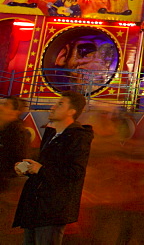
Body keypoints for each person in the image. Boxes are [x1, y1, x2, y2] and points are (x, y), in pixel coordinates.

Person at [13, 91, 94, 245]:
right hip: (36, 207)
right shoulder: (51, 134)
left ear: (72, 111)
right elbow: (46, 167)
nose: (53, 107)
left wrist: (40, 169)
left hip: (52, 210)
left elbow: (75, 173)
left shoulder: (78, 138)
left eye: (60, 104)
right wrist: (28, 169)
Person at [0, 98, 28, 231]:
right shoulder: (3, 129)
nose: (1, 107)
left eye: (6, 105)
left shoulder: (17, 133)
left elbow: (18, 163)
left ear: (15, 112)